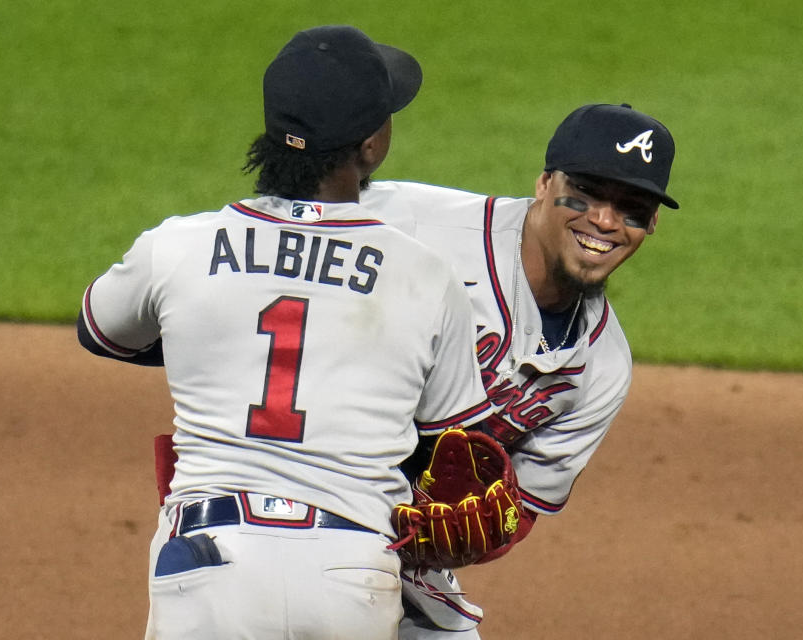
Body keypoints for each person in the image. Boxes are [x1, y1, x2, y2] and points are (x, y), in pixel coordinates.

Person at [76, 25, 494, 640]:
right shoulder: (427, 277)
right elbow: (449, 446)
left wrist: (223, 345)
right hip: (350, 571)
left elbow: (101, 329)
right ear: (372, 145)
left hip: (207, 561)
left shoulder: (177, 247)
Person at [360, 102, 679, 638]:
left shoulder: (602, 370)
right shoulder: (410, 221)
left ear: (652, 223)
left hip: (403, 559)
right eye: (586, 193)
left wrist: (468, 537)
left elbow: (523, 509)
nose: (603, 220)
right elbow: (272, 238)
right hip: (300, 493)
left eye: (630, 208)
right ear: (543, 182)